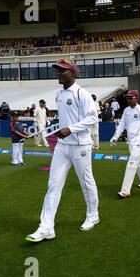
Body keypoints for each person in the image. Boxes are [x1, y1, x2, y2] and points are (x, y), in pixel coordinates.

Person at [26, 59, 100, 243]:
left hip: (81, 146)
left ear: (73, 73)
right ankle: (46, 227)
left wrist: (71, 129)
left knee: (86, 182)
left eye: (63, 70)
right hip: (63, 147)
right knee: (53, 185)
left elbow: (93, 119)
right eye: (57, 70)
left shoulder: (82, 93)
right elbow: (66, 119)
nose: (59, 73)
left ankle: (93, 215)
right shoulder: (59, 95)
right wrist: (59, 130)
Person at [110, 90, 140, 199]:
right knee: (137, 161)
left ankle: (125, 190)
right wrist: (115, 137)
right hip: (130, 141)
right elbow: (122, 125)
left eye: (131, 98)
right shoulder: (126, 111)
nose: (129, 100)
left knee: (131, 163)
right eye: (127, 98)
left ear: (136, 98)